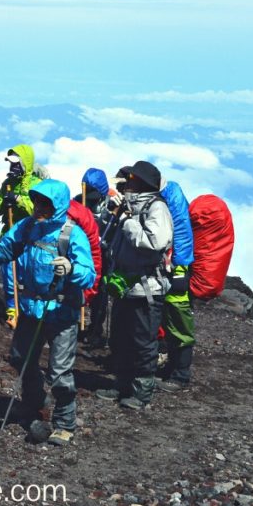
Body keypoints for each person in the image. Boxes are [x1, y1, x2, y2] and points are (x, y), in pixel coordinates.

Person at [0, 179, 95, 446]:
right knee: (20, 358)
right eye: (37, 201)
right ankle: (35, 403)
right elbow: (5, 250)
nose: (38, 207)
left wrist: (71, 269)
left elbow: (89, 274)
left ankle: (64, 423)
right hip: (31, 308)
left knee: (59, 371)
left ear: (57, 205)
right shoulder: (26, 227)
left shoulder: (72, 234)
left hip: (61, 311)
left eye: (45, 203)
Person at [96, 160, 173, 410]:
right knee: (121, 338)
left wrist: (128, 221)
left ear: (140, 182)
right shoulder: (131, 206)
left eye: (130, 179)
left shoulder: (156, 208)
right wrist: (111, 213)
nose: (126, 183)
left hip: (145, 287)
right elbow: (106, 237)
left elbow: (154, 243)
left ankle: (141, 392)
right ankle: (122, 384)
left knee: (143, 341)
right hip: (126, 285)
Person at [0, 145, 43, 327]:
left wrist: (19, 201)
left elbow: (37, 210)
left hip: (31, 238)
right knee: (9, 274)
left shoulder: (36, 185)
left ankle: (28, 311)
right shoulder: (7, 184)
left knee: (27, 275)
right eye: (11, 164)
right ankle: (12, 311)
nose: (12, 167)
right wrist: (3, 202)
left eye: (16, 163)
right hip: (10, 235)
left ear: (25, 163)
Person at [157, 178, 196, 393]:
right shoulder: (173, 195)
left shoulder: (170, 199)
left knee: (179, 322)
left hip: (176, 271)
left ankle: (181, 375)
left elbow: (179, 233)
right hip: (175, 268)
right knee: (170, 320)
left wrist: (178, 265)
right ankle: (173, 368)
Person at [76, 168, 111, 346]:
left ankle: (96, 328)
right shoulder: (77, 202)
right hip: (82, 254)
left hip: (103, 256)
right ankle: (75, 323)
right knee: (78, 286)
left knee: (100, 292)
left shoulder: (112, 206)